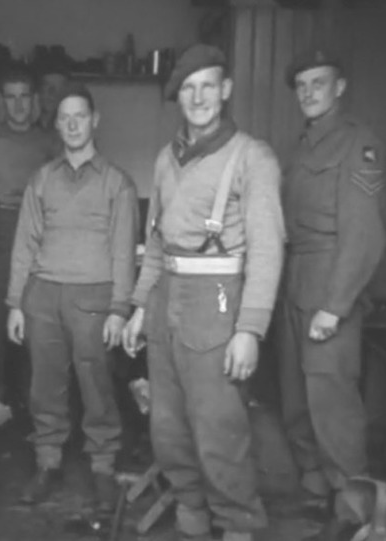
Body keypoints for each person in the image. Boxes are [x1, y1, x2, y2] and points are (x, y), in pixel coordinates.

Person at [122, 44, 285, 541]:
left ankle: (237, 526)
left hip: (217, 303)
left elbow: (267, 248)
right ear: (178, 97)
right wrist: (137, 309)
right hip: (165, 299)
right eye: (188, 89)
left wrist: (250, 330)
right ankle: (192, 519)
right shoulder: (166, 160)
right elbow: (155, 243)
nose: (198, 97)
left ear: (226, 90)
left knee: (219, 430)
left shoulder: (252, 157)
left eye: (208, 85)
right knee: (169, 428)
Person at [6, 82, 138, 510]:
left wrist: (119, 309)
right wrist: (15, 304)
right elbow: (25, 244)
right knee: (45, 385)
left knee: (96, 383)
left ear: (95, 121)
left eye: (80, 115)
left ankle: (102, 467)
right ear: (57, 124)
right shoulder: (42, 179)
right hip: (43, 296)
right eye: (65, 117)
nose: (73, 124)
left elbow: (123, 251)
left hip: (94, 299)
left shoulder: (117, 183)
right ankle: (48, 462)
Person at [276, 48, 386, 508]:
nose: (308, 93)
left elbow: (364, 234)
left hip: (328, 284)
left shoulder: (357, 142)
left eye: (318, 83)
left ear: (339, 87)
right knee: (296, 398)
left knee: (332, 403)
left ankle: (354, 506)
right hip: (294, 279)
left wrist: (336, 305)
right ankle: (315, 491)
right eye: (301, 85)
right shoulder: (301, 146)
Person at [0, 66, 59, 405]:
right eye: (11, 97)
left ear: (35, 99)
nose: (19, 105)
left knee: (36, 327)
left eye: (25, 96)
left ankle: (33, 411)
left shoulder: (50, 141)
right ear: (1, 100)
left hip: (40, 235)